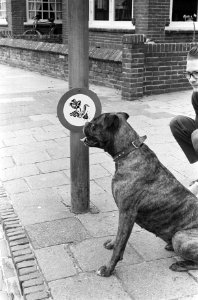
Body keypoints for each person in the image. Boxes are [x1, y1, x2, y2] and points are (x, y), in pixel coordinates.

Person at [170, 46, 198, 193]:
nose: (191, 80)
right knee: (178, 123)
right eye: (188, 74)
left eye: (196, 73)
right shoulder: (196, 96)